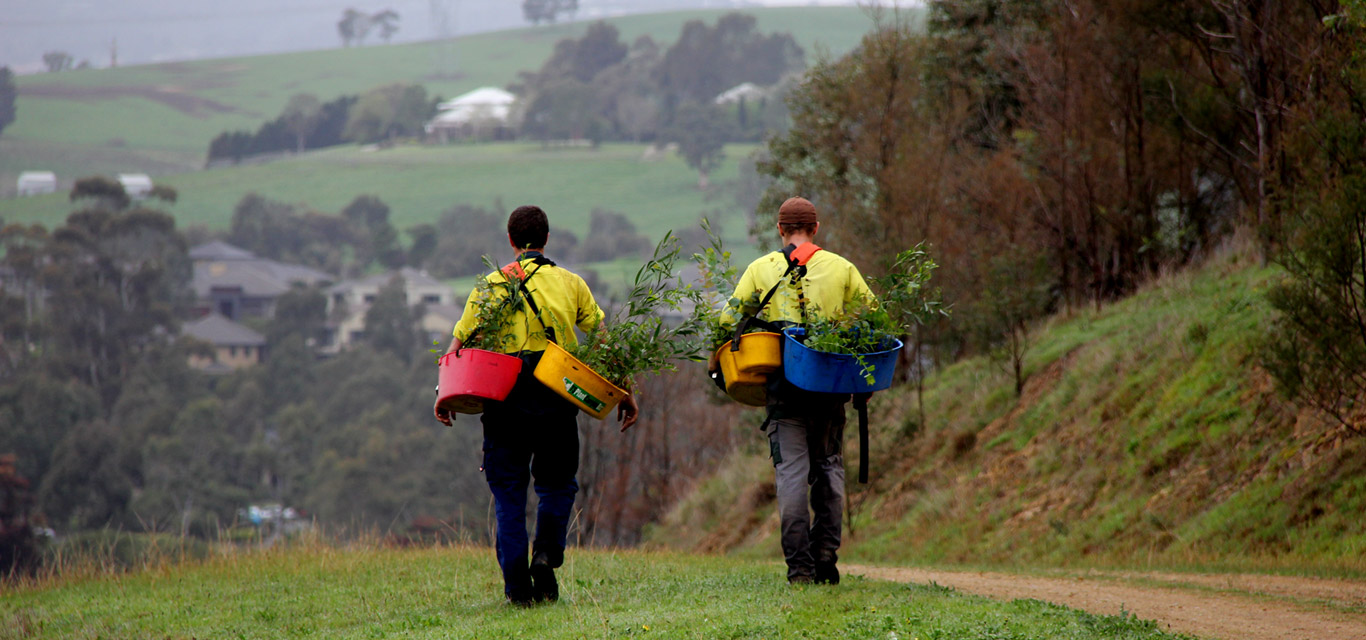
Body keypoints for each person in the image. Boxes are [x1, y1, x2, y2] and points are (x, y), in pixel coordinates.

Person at [435, 205, 640, 606]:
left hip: (504, 397)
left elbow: (459, 345)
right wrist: (625, 392)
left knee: (509, 493)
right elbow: (604, 341)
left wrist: (443, 395)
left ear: (511, 241)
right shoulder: (570, 283)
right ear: (546, 239)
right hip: (555, 397)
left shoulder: (490, 285)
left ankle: (517, 588)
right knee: (557, 484)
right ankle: (545, 555)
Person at [715, 196, 874, 585]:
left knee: (790, 478)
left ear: (780, 230)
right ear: (816, 228)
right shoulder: (842, 268)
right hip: (831, 389)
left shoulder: (761, 269)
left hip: (784, 391)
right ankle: (825, 557)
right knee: (829, 471)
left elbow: (726, 320)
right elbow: (874, 320)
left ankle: (799, 570)